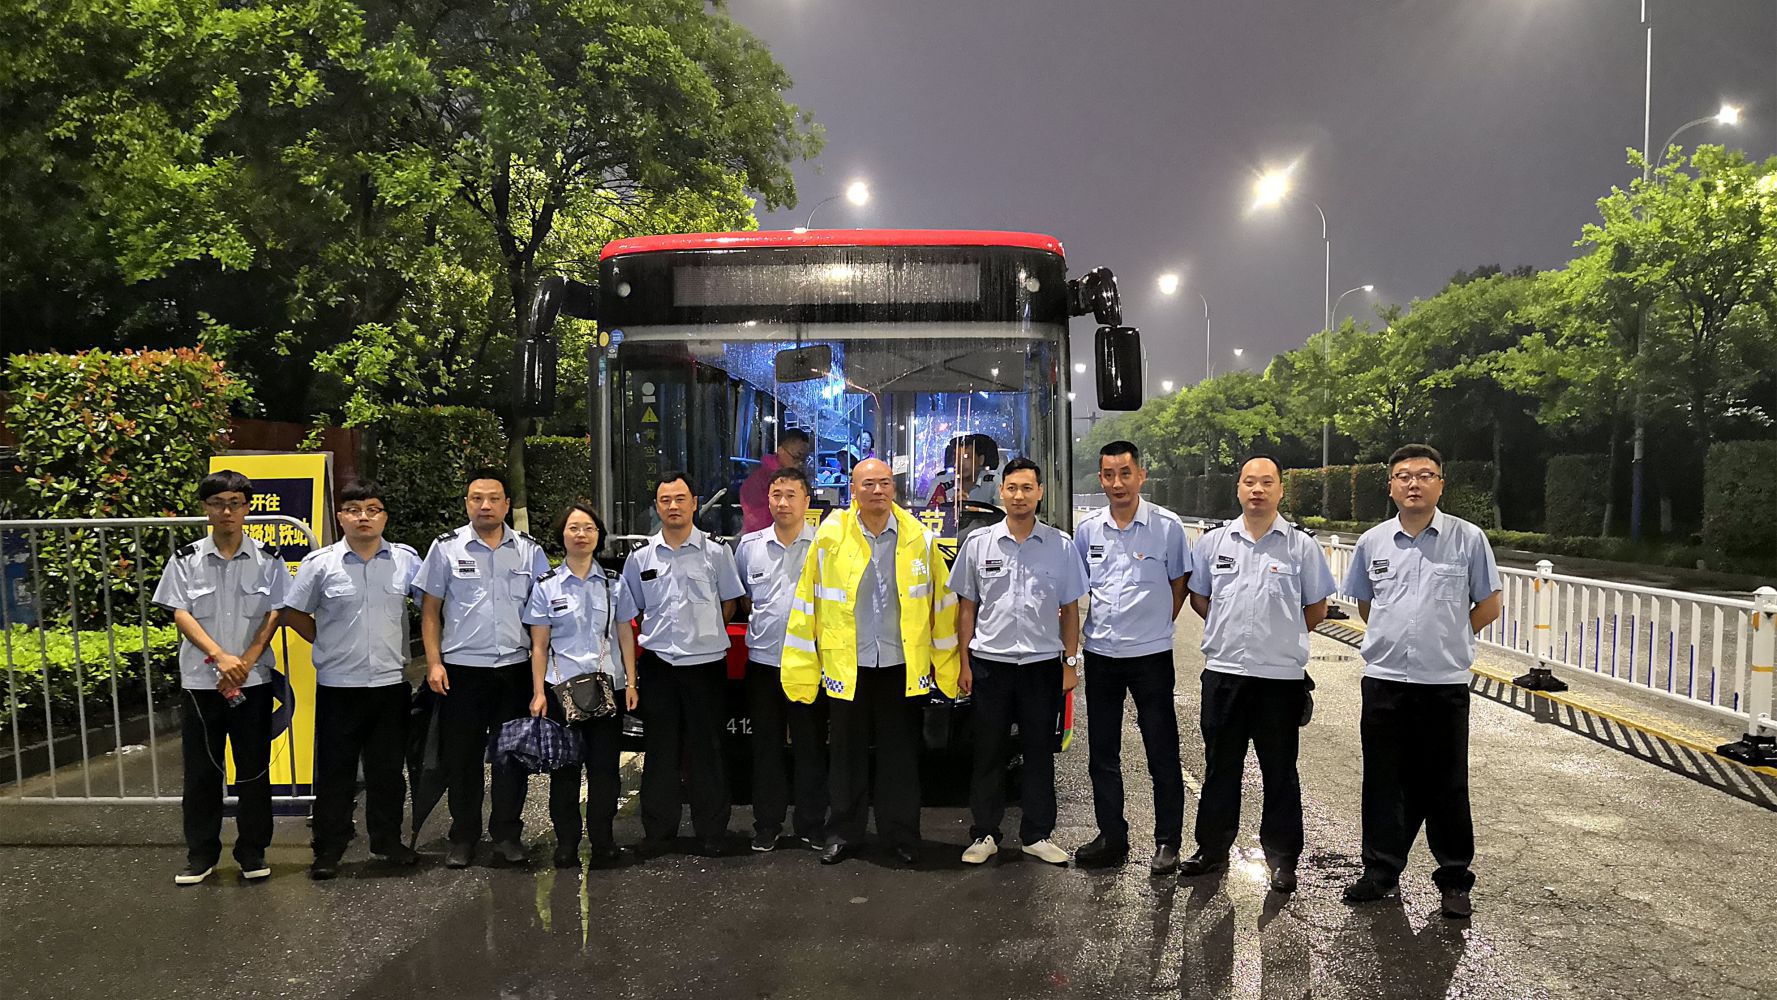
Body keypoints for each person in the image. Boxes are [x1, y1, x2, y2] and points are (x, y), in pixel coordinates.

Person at [1340, 443, 1501, 919]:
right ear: (1391, 486)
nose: (1414, 484)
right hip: (1385, 680)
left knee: (1446, 783)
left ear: (1440, 485)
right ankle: (1380, 871)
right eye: (1404, 476)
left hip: (1443, 682)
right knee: (1383, 781)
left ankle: (1453, 879)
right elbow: (1367, 605)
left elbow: (1489, 605)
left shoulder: (1468, 539)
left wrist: (1449, 636)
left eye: (1425, 475)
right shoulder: (1373, 542)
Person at [780, 458, 961, 866]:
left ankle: (901, 836)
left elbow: (942, 606)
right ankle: (843, 834)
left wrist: (947, 666)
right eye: (868, 484)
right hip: (848, 665)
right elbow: (807, 604)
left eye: (884, 483)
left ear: (894, 489)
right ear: (853, 491)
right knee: (845, 756)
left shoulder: (919, 537)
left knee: (901, 758)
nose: (877, 490)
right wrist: (803, 668)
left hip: (901, 664)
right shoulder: (830, 537)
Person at [1179, 456, 1335, 894]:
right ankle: (1212, 850)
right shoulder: (1214, 543)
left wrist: (1279, 638)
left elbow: (1316, 608)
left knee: (1280, 772)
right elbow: (1200, 598)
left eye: (1267, 482)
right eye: (1250, 482)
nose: (1258, 490)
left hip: (1280, 679)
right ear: (1239, 488)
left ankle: (1283, 860)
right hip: (1224, 674)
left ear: (1281, 490)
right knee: (1220, 768)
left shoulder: (1301, 547)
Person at [280, 479, 423, 880]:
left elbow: (430, 603)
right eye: (354, 510)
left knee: (388, 772)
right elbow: (293, 611)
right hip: (338, 686)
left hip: (390, 685)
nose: (364, 517)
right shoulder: (320, 564)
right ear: (341, 517)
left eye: (372, 509)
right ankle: (329, 848)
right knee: (335, 773)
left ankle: (387, 841)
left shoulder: (406, 560)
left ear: (384, 517)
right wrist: (325, 641)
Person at [154, 469, 290, 885]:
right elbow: (180, 613)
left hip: (253, 679)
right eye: (217, 504)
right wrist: (220, 657)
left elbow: (276, 613)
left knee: (253, 770)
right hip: (202, 682)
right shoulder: (186, 559)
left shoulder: (269, 559)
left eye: (235, 503)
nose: (227, 512)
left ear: (247, 508)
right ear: (205, 509)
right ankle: (201, 855)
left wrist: (244, 661)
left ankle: (252, 852)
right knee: (201, 773)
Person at [950, 457, 1087, 866]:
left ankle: (1037, 834)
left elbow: (1071, 610)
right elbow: (966, 608)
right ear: (1001, 492)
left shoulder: (1061, 546)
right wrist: (964, 663)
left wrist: (1070, 663)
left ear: (1040, 493)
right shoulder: (978, 544)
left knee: (1039, 752)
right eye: (1012, 488)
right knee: (987, 753)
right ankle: (985, 833)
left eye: (1027, 488)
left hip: (1041, 666)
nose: (1019, 496)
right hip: (990, 664)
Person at [415, 469, 551, 869]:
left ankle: (507, 834)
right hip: (462, 671)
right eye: (477, 498)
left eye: (493, 498)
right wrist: (433, 663)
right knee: (462, 759)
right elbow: (430, 611)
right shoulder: (445, 548)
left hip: (514, 670)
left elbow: (542, 616)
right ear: (467, 503)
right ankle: (463, 836)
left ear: (507, 504)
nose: (485, 505)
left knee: (511, 759)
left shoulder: (529, 551)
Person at [1071, 441, 1190, 875]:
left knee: (1162, 750)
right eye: (1108, 475)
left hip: (1151, 657)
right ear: (1101, 478)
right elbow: (1079, 588)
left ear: (1141, 475)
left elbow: (1179, 584)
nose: (1117, 483)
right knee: (1102, 753)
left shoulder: (1167, 526)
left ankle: (1167, 841)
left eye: (1125, 473)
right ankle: (1112, 836)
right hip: (1101, 654)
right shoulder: (1088, 530)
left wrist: (1155, 623)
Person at [621, 472, 745, 856]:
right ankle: (659, 834)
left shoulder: (717, 552)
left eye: (680, 499)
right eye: (665, 500)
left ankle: (712, 832)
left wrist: (704, 634)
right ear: (656, 507)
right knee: (661, 752)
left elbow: (730, 602)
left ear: (694, 503)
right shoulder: (640, 557)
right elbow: (631, 609)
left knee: (709, 752)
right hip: (659, 666)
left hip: (706, 666)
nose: (673, 506)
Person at [523, 502, 639, 869]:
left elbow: (625, 635)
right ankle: (566, 844)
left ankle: (603, 840)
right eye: (574, 528)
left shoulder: (614, 584)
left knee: (605, 772)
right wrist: (538, 693)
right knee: (565, 772)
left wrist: (631, 682)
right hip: (560, 692)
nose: (581, 534)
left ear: (598, 535)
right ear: (562, 535)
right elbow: (539, 646)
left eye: (589, 528)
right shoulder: (546, 586)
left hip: (607, 690)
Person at [734, 465, 826, 852]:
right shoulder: (749, 547)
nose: (783, 502)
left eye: (791, 495)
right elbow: (744, 600)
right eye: (776, 495)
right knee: (766, 748)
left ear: (807, 501)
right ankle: (767, 825)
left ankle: (811, 824)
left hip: (809, 663)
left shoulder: (825, 546)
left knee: (811, 747)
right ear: (767, 500)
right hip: (764, 662)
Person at [741, 428, 814, 535]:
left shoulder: (795, 478)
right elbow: (757, 522)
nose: (800, 463)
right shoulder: (760, 480)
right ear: (780, 451)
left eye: (804, 459)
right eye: (796, 457)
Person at [919, 433, 1000, 510]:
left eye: (966, 457)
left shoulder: (994, 483)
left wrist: (975, 510)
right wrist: (948, 507)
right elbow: (927, 512)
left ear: (981, 460)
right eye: (956, 457)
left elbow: (1004, 512)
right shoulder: (941, 482)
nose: (960, 463)